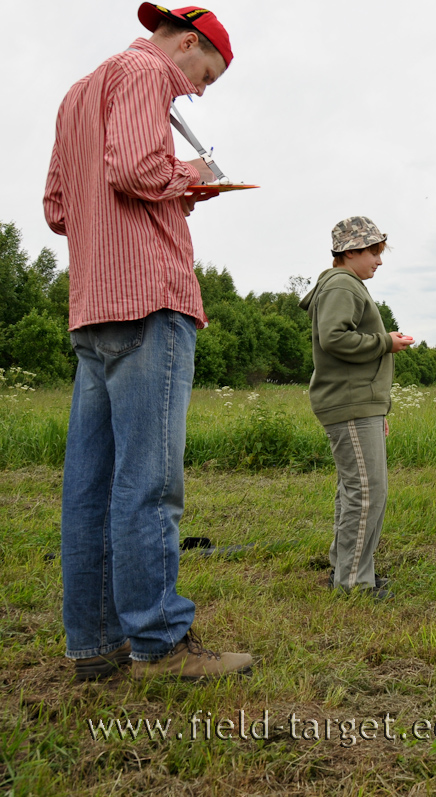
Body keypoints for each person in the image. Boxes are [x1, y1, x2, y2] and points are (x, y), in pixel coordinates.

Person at [43, 4, 252, 680]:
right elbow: (135, 169)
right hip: (149, 297)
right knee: (149, 483)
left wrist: (165, 189)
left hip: (92, 305)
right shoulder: (144, 72)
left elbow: (56, 208)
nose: (196, 90)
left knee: (93, 487)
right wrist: (192, 177)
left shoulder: (79, 92)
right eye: (206, 76)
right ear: (187, 42)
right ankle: (160, 644)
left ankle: (96, 646)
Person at [300, 217, 412, 600]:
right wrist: (386, 342)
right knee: (367, 493)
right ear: (350, 251)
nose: (379, 260)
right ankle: (351, 583)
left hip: (359, 403)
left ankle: (348, 569)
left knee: (358, 490)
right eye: (373, 252)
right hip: (349, 403)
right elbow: (334, 338)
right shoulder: (342, 285)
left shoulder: (345, 285)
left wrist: (377, 409)